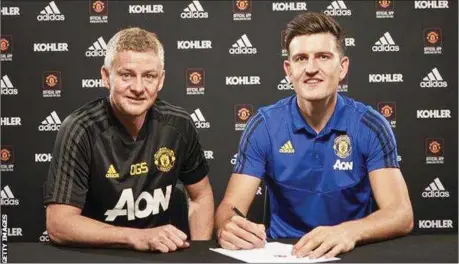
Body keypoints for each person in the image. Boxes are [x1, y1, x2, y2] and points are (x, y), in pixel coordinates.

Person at [215, 12, 413, 258]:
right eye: (300, 58)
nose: (311, 68)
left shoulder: (370, 125)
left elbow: (401, 214)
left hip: (350, 250)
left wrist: (347, 232)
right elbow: (229, 208)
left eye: (323, 57)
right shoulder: (264, 125)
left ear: (342, 67)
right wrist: (228, 226)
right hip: (285, 253)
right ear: (289, 70)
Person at [43, 27, 214, 253]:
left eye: (149, 76)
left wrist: (199, 253)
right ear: (106, 76)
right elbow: (58, 224)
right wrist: (137, 237)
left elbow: (201, 195)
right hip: (95, 255)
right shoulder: (80, 129)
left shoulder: (179, 125)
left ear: (161, 80)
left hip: (158, 255)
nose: (138, 88)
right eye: (126, 75)